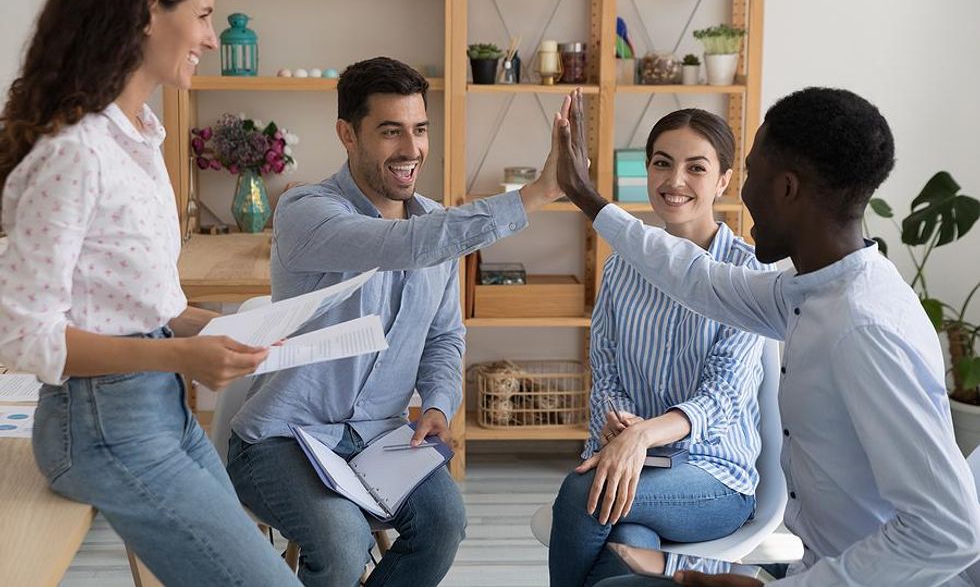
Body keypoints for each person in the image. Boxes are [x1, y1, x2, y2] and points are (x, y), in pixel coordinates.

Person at [555, 86, 980, 586]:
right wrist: (585, 195)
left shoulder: (865, 329)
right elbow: (694, 277)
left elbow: (948, 532)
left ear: (786, 188)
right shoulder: (811, 293)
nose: (743, 192)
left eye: (751, 173)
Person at [0, 0, 301, 584]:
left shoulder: (138, 139)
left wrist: (231, 327)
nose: (214, 37)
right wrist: (177, 353)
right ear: (146, 11)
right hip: (100, 425)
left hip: (161, 409)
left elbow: (143, 309)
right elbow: (25, 337)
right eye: (202, 16)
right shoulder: (75, 153)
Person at [226, 56, 565, 587]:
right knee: (341, 544)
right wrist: (538, 192)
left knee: (445, 523)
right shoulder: (307, 213)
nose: (411, 149)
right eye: (390, 132)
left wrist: (436, 403)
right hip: (283, 440)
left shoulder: (435, 224)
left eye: (420, 129)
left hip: (379, 439)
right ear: (347, 134)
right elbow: (400, 247)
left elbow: (444, 337)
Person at [549, 109, 769, 587]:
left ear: (724, 180)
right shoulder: (622, 266)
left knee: (582, 494)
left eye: (696, 167)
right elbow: (604, 366)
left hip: (712, 477)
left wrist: (643, 435)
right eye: (662, 163)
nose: (675, 180)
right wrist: (621, 423)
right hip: (631, 463)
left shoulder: (746, 273)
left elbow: (723, 397)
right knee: (620, 560)